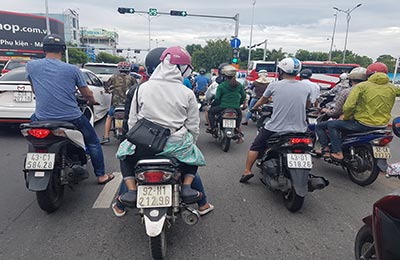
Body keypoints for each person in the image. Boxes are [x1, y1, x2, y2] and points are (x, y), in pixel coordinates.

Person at [116, 46, 209, 209]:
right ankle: (187, 187)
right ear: (181, 68)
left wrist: (134, 140)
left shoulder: (142, 89)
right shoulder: (187, 93)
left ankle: (131, 191)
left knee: (124, 157)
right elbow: (193, 125)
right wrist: (190, 143)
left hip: (143, 145)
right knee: (193, 157)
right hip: (176, 146)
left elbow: (132, 122)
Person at [26, 34, 114, 184]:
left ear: (44, 49)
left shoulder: (31, 66)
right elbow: (86, 93)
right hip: (71, 117)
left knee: (32, 132)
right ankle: (101, 175)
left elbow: (34, 89)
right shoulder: (72, 69)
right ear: (62, 50)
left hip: (42, 117)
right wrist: (92, 101)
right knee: (93, 142)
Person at [240, 57, 311, 183]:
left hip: (276, 127)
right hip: (301, 129)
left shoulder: (274, 85)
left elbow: (262, 100)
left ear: (281, 71)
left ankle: (247, 171)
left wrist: (255, 108)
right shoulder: (306, 87)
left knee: (256, 146)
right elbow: (308, 105)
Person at [321, 62, 400, 160]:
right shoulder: (392, 88)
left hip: (363, 124)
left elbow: (349, 106)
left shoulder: (361, 87)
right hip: (383, 125)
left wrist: (346, 117)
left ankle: (338, 152)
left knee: (332, 125)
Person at [315, 67, 368, 157]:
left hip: (354, 121)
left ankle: (332, 150)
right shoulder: (370, 92)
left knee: (324, 126)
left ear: (350, 80)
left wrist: (326, 111)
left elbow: (336, 112)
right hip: (373, 122)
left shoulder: (346, 92)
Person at [207, 65, 247, 142]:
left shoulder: (221, 85)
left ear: (224, 75)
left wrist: (215, 104)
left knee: (210, 113)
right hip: (235, 107)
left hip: (223, 107)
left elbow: (217, 98)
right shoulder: (239, 85)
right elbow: (243, 96)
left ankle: (213, 128)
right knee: (239, 114)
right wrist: (239, 103)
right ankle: (237, 129)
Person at [100, 61, 137, 144]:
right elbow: (136, 89)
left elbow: (106, 87)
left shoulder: (113, 77)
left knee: (109, 117)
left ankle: (106, 137)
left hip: (115, 104)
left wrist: (109, 91)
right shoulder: (132, 79)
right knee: (133, 118)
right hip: (128, 104)